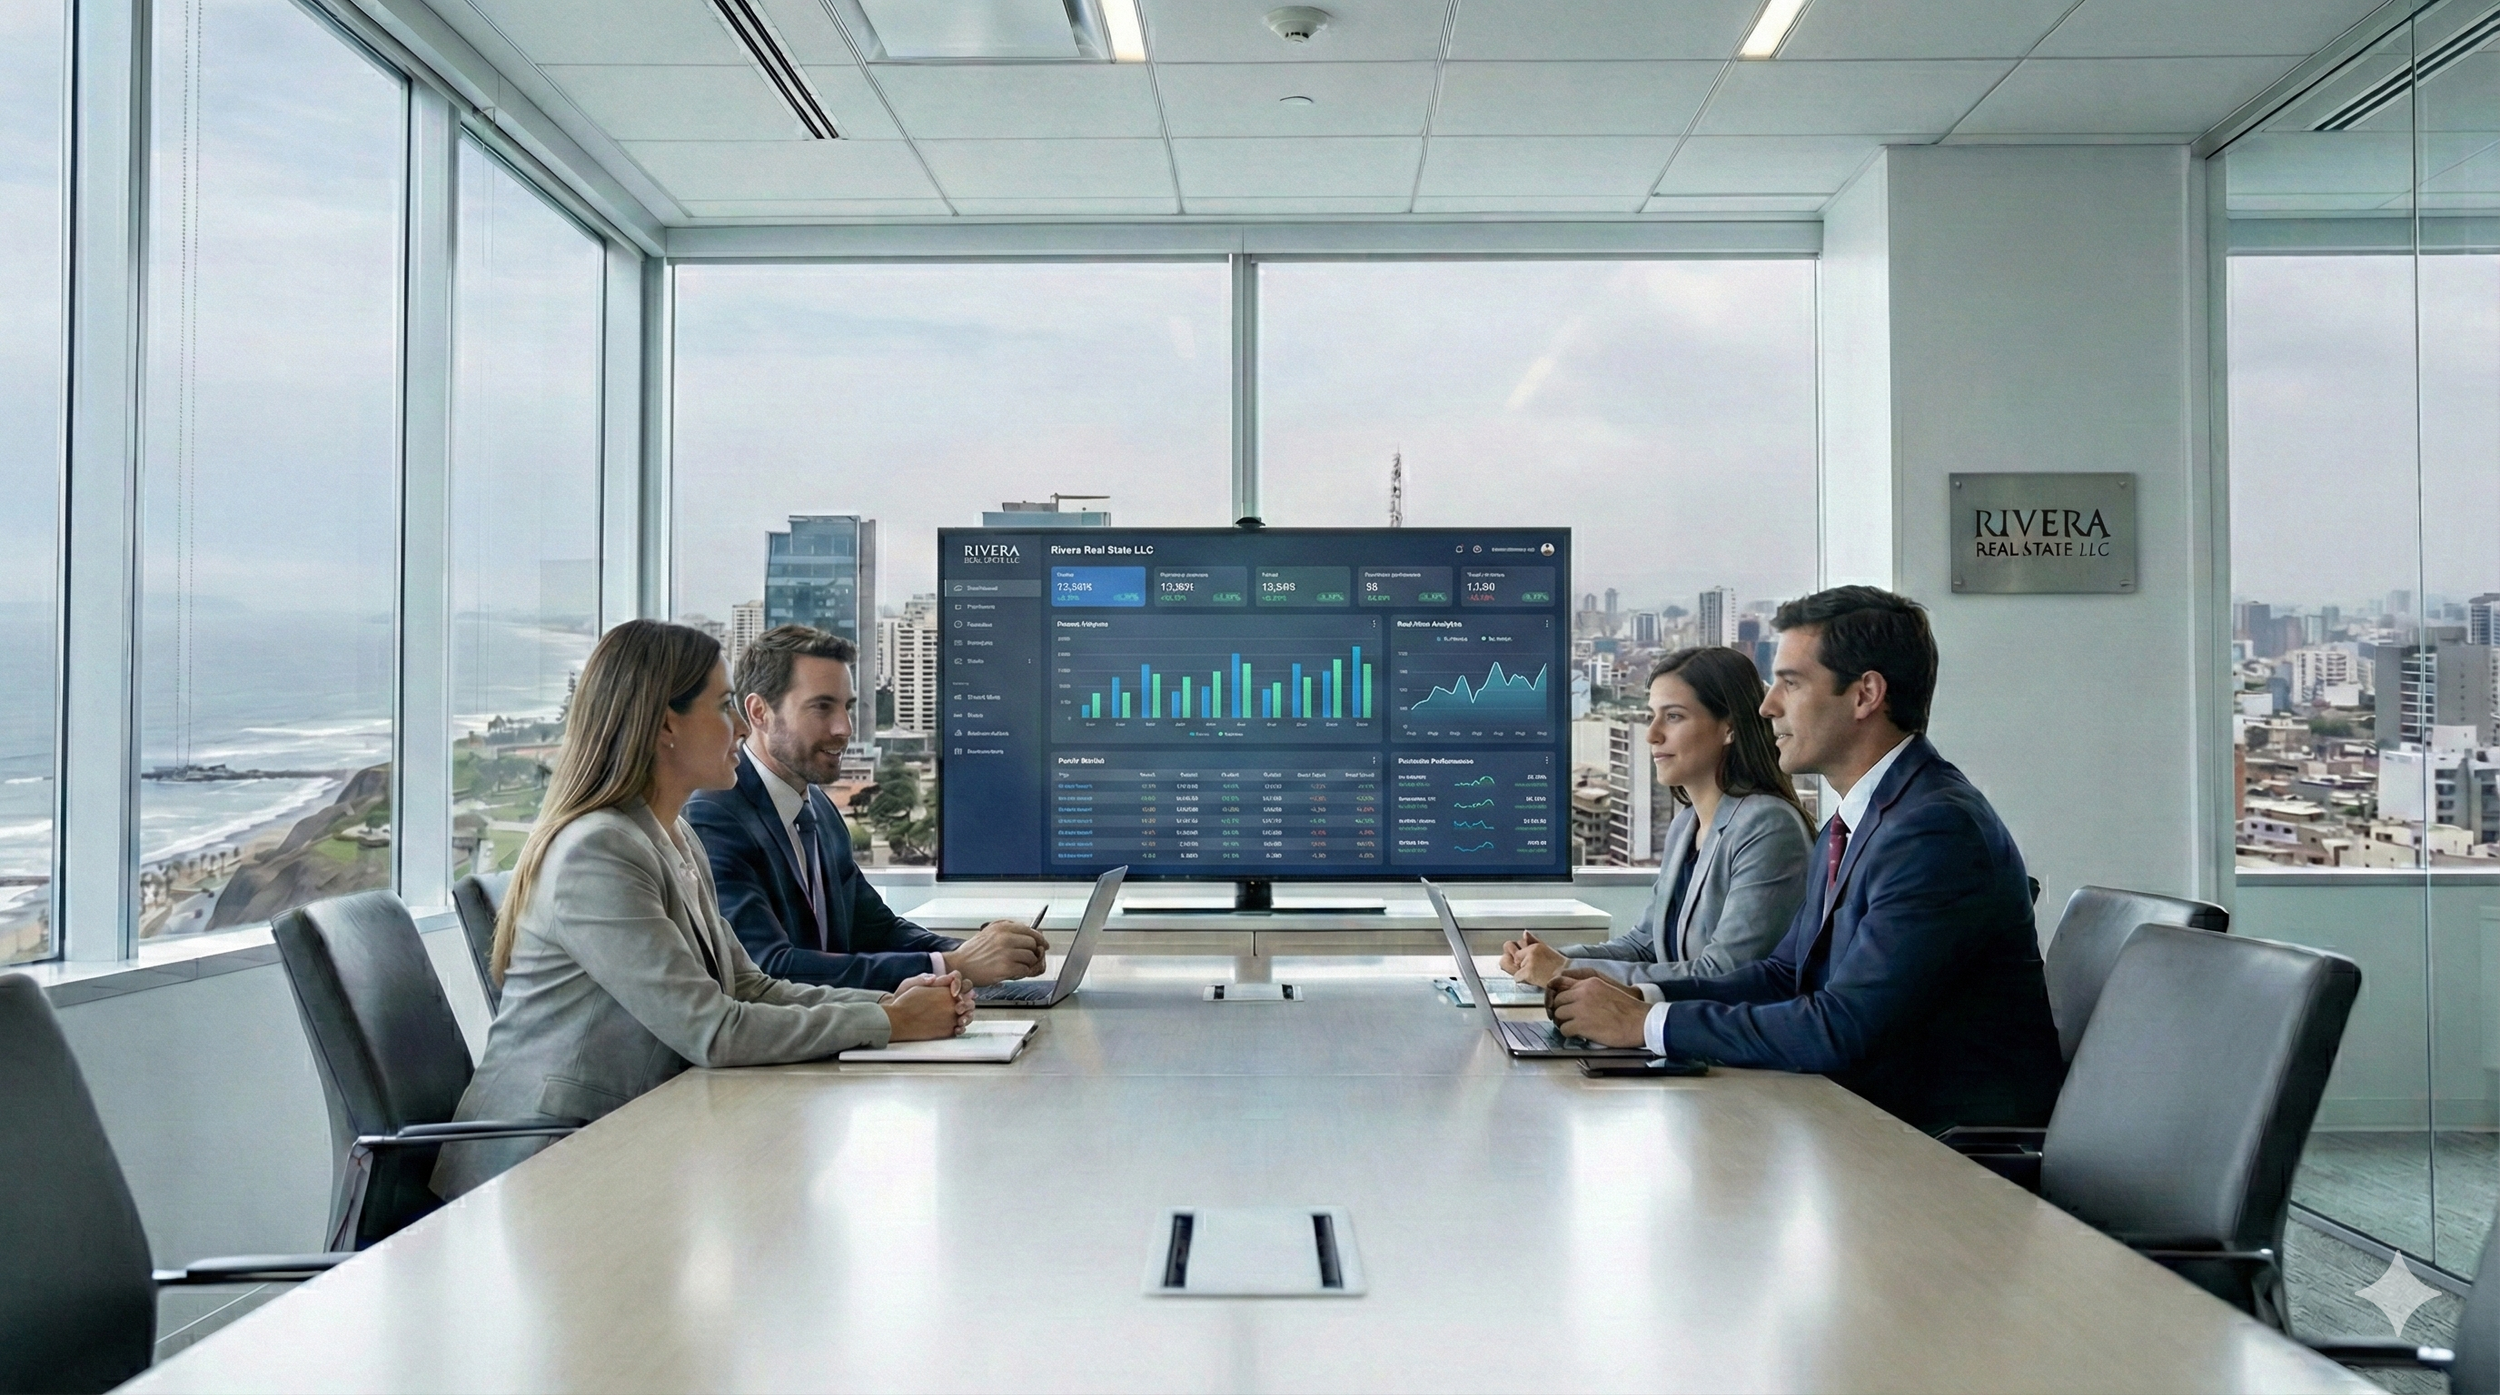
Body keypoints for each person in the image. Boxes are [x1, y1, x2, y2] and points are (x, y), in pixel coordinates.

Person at [433, 620, 971, 1199]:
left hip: (624, 1143)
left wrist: (896, 1000)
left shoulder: (674, 838)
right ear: (667, 724)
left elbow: (750, 987)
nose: (741, 726)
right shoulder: (598, 851)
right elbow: (713, 1029)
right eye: (722, 707)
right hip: (536, 1169)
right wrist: (889, 1022)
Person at [1550, 586, 2065, 1134]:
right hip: (1858, 1120)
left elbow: (1843, 1027)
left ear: (1865, 695)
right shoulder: (1860, 819)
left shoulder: (1934, 830)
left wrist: (1648, 1025)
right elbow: (1784, 975)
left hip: (1940, 1152)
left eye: (1790, 683)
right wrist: (1644, 996)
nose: (1768, 705)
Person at [687, 625, 1049, 992]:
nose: (844, 728)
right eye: (821, 707)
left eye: (847, 707)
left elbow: (877, 930)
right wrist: (953, 964)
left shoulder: (819, 811)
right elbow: (768, 967)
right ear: (759, 712)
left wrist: (977, 953)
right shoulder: (715, 816)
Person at [1499, 646, 1810, 992]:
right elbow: (1645, 946)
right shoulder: (1686, 825)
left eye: (1673, 716)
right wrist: (1547, 958)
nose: (1652, 734)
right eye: (1651, 716)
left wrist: (1566, 970)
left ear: (1729, 729)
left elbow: (1725, 973)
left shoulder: (1768, 827)